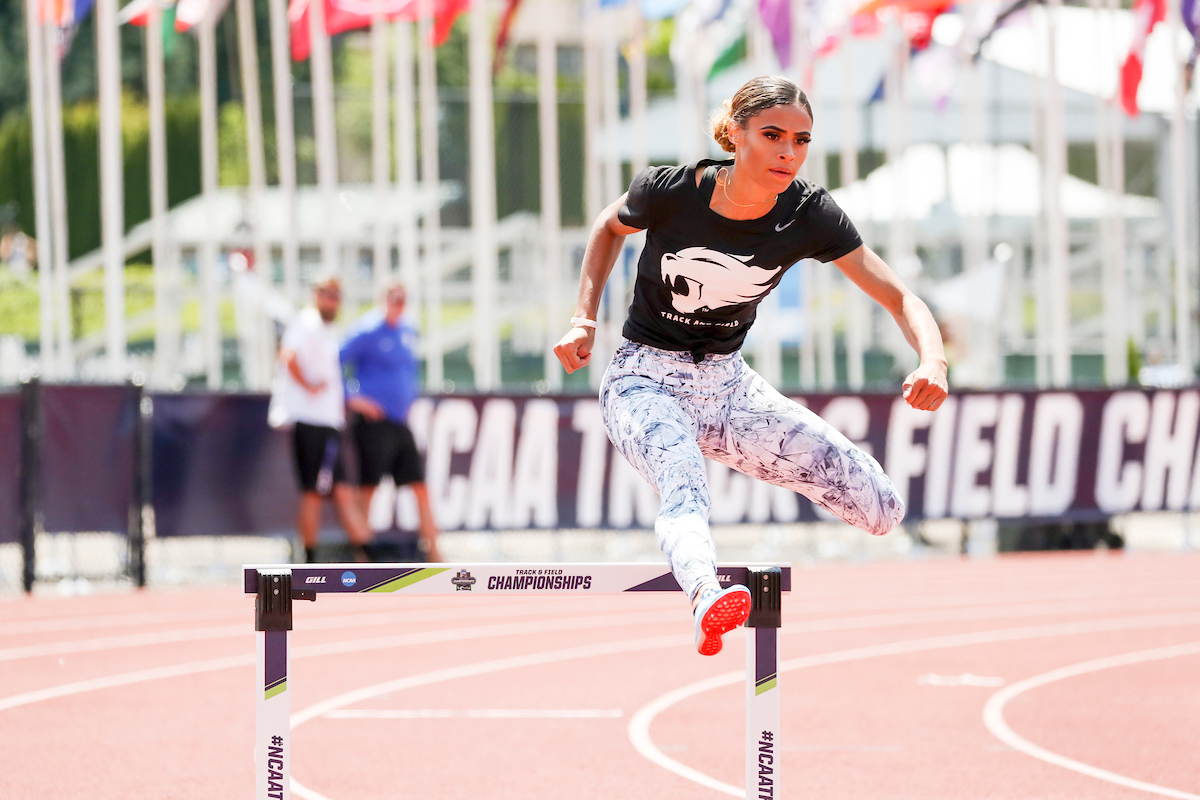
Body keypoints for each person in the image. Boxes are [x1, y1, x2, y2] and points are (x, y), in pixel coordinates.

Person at [553, 75, 948, 656]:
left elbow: (900, 297)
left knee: (881, 509)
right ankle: (704, 598)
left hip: (729, 386)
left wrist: (933, 360)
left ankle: (714, 551)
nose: (788, 152)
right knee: (684, 489)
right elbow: (608, 227)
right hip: (644, 378)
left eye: (801, 140)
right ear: (735, 134)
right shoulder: (672, 189)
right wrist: (583, 318)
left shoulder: (809, 213)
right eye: (772, 135)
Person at [269, 275, 374, 563]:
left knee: (340, 490)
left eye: (337, 295)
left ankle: (365, 555)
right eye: (327, 294)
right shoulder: (306, 322)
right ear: (315, 295)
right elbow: (287, 356)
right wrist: (309, 386)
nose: (333, 300)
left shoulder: (328, 330)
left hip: (329, 424)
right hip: (311, 422)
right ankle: (309, 559)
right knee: (314, 491)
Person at [340, 282, 442, 561]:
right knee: (369, 488)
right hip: (373, 422)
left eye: (402, 299)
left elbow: (408, 370)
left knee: (419, 486)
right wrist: (353, 398)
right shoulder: (367, 330)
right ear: (381, 299)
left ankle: (435, 552)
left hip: (399, 421)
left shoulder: (408, 330)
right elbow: (334, 360)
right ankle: (363, 555)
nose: (398, 303)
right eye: (393, 298)